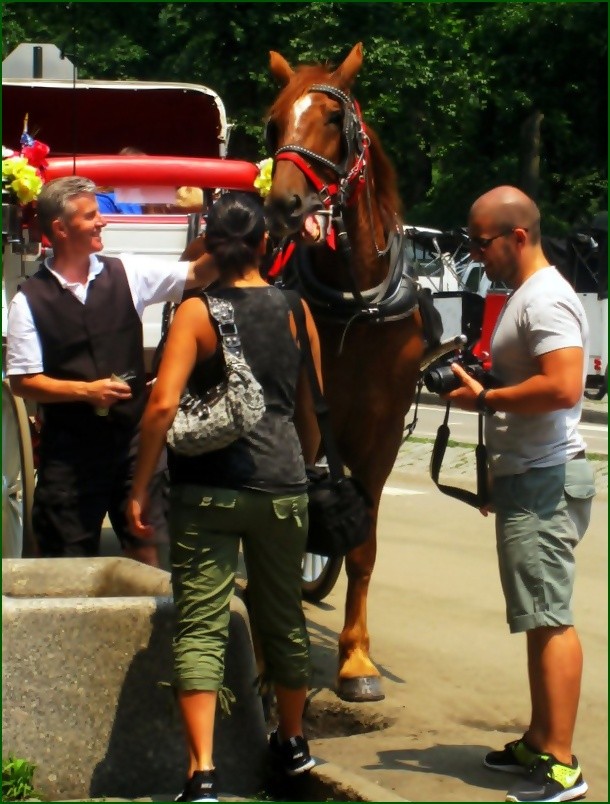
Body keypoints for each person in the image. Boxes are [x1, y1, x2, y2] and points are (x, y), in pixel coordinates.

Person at [126, 192, 322, 803]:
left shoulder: (196, 313)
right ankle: (290, 743)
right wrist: (304, 461)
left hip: (207, 490)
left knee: (201, 628)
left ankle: (203, 772)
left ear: (208, 245)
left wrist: (139, 486)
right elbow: (312, 406)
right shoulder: (297, 310)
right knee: (284, 619)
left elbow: (161, 404)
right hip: (282, 488)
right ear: (266, 243)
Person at [446, 186, 596, 803]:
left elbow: (563, 387)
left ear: (517, 236)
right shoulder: (526, 297)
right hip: (529, 472)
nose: (476, 253)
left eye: (482, 242)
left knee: (551, 618)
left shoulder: (547, 299)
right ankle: (540, 738)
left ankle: (562, 765)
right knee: (537, 615)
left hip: (546, 476)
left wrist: (486, 398)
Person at [6, 175, 218, 566]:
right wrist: (86, 392)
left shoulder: (128, 272)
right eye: (91, 216)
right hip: (69, 458)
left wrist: (220, 223)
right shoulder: (28, 301)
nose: (102, 221)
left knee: (154, 560)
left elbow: (198, 275)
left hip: (133, 449)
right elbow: (22, 381)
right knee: (64, 572)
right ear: (61, 228)